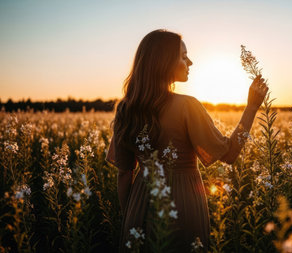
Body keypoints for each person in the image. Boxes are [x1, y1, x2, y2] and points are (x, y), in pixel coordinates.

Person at [105, 29, 268, 252]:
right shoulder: (187, 106)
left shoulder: (126, 109)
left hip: (140, 205)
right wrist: (251, 108)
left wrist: (131, 217)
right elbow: (230, 155)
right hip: (184, 206)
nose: (190, 62)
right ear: (164, 62)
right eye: (183, 56)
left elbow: (124, 174)